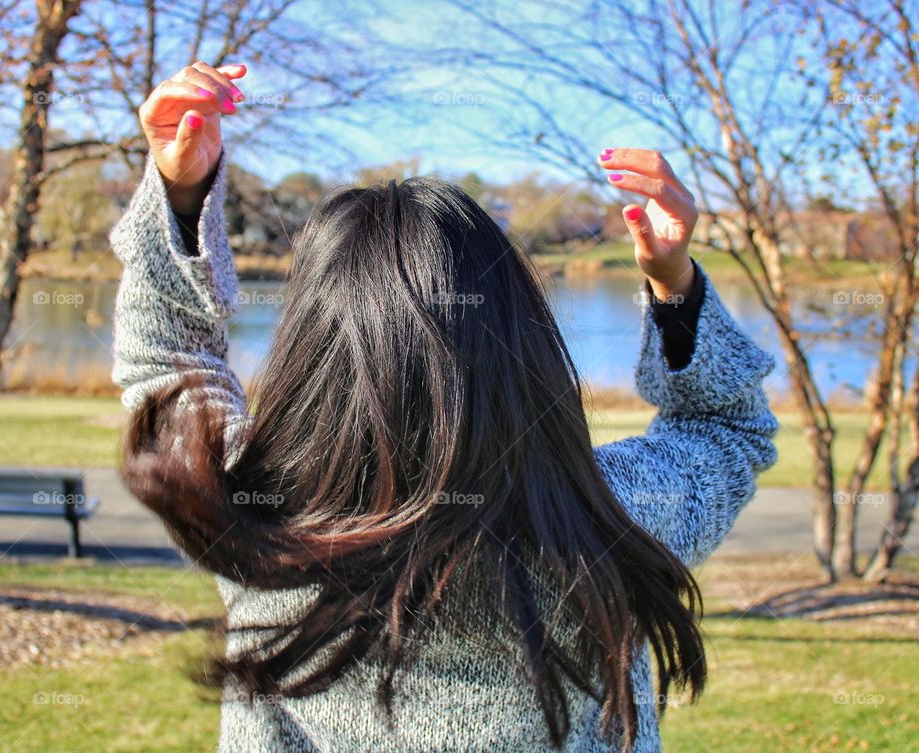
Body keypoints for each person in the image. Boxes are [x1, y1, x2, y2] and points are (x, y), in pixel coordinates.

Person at [112, 61, 779, 753]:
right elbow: (725, 429)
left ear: (311, 352)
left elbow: (165, 364)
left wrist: (182, 199)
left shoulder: (259, 527)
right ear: (520, 337)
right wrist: (674, 285)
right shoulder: (606, 524)